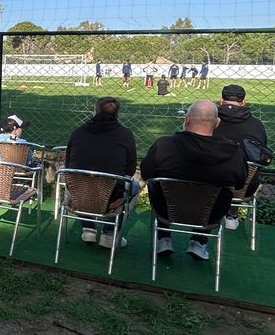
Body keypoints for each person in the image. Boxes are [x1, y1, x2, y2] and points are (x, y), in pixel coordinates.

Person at [140, 99, 247, 260]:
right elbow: (240, 182)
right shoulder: (234, 153)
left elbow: (146, 173)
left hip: (167, 210)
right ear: (217, 123)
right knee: (221, 193)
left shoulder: (164, 146)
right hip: (210, 214)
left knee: (156, 185)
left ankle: (163, 238)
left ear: (187, 119)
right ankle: (199, 242)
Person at [64, 97, 138, 248]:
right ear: (118, 115)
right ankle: (109, 234)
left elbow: (68, 165)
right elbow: (130, 171)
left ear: (94, 112)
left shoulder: (78, 132)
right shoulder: (126, 134)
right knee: (134, 185)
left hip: (80, 195)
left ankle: (88, 228)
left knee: (73, 181)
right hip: (111, 196)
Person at [212, 84, 268, 230]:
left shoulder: (207, 120)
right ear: (243, 102)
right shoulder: (257, 125)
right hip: (244, 187)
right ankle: (232, 214)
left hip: (209, 184)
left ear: (221, 100)